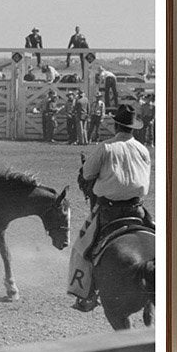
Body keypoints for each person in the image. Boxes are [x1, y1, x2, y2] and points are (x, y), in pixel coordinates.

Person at [67, 104, 154, 311]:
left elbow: (87, 174)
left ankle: (85, 294)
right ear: (134, 128)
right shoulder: (143, 149)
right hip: (137, 209)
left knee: (81, 248)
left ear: (116, 125)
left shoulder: (106, 148)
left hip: (110, 211)